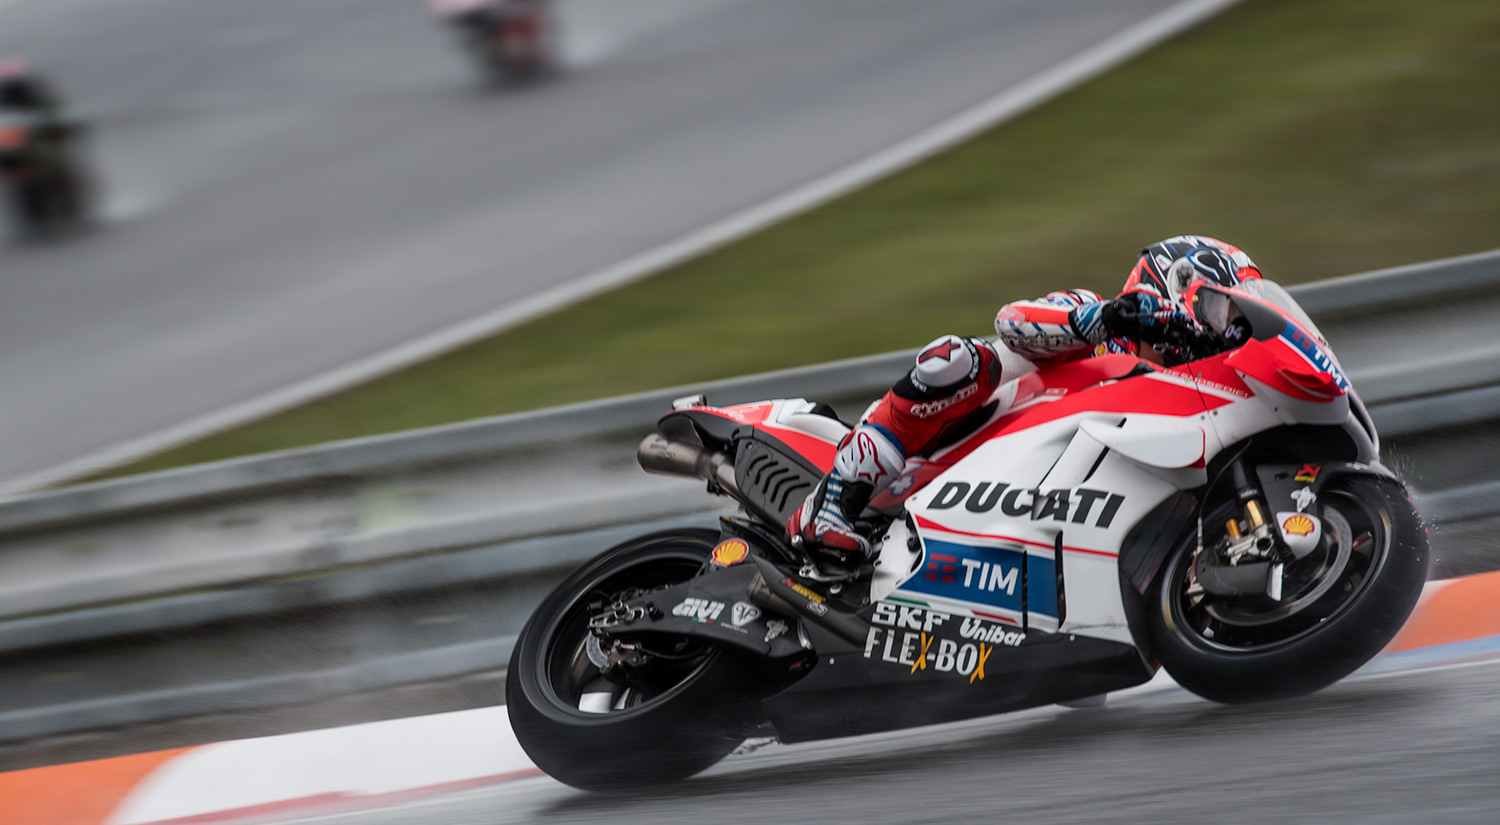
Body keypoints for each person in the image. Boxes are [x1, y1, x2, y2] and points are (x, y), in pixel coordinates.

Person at [786, 236, 1262, 564]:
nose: (1229, 329)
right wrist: (1111, 317)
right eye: (1224, 310)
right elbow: (1012, 322)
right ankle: (835, 499)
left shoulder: (1189, 390)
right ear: (1177, 286)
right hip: (947, 453)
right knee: (960, 360)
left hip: (1039, 507)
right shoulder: (1102, 322)